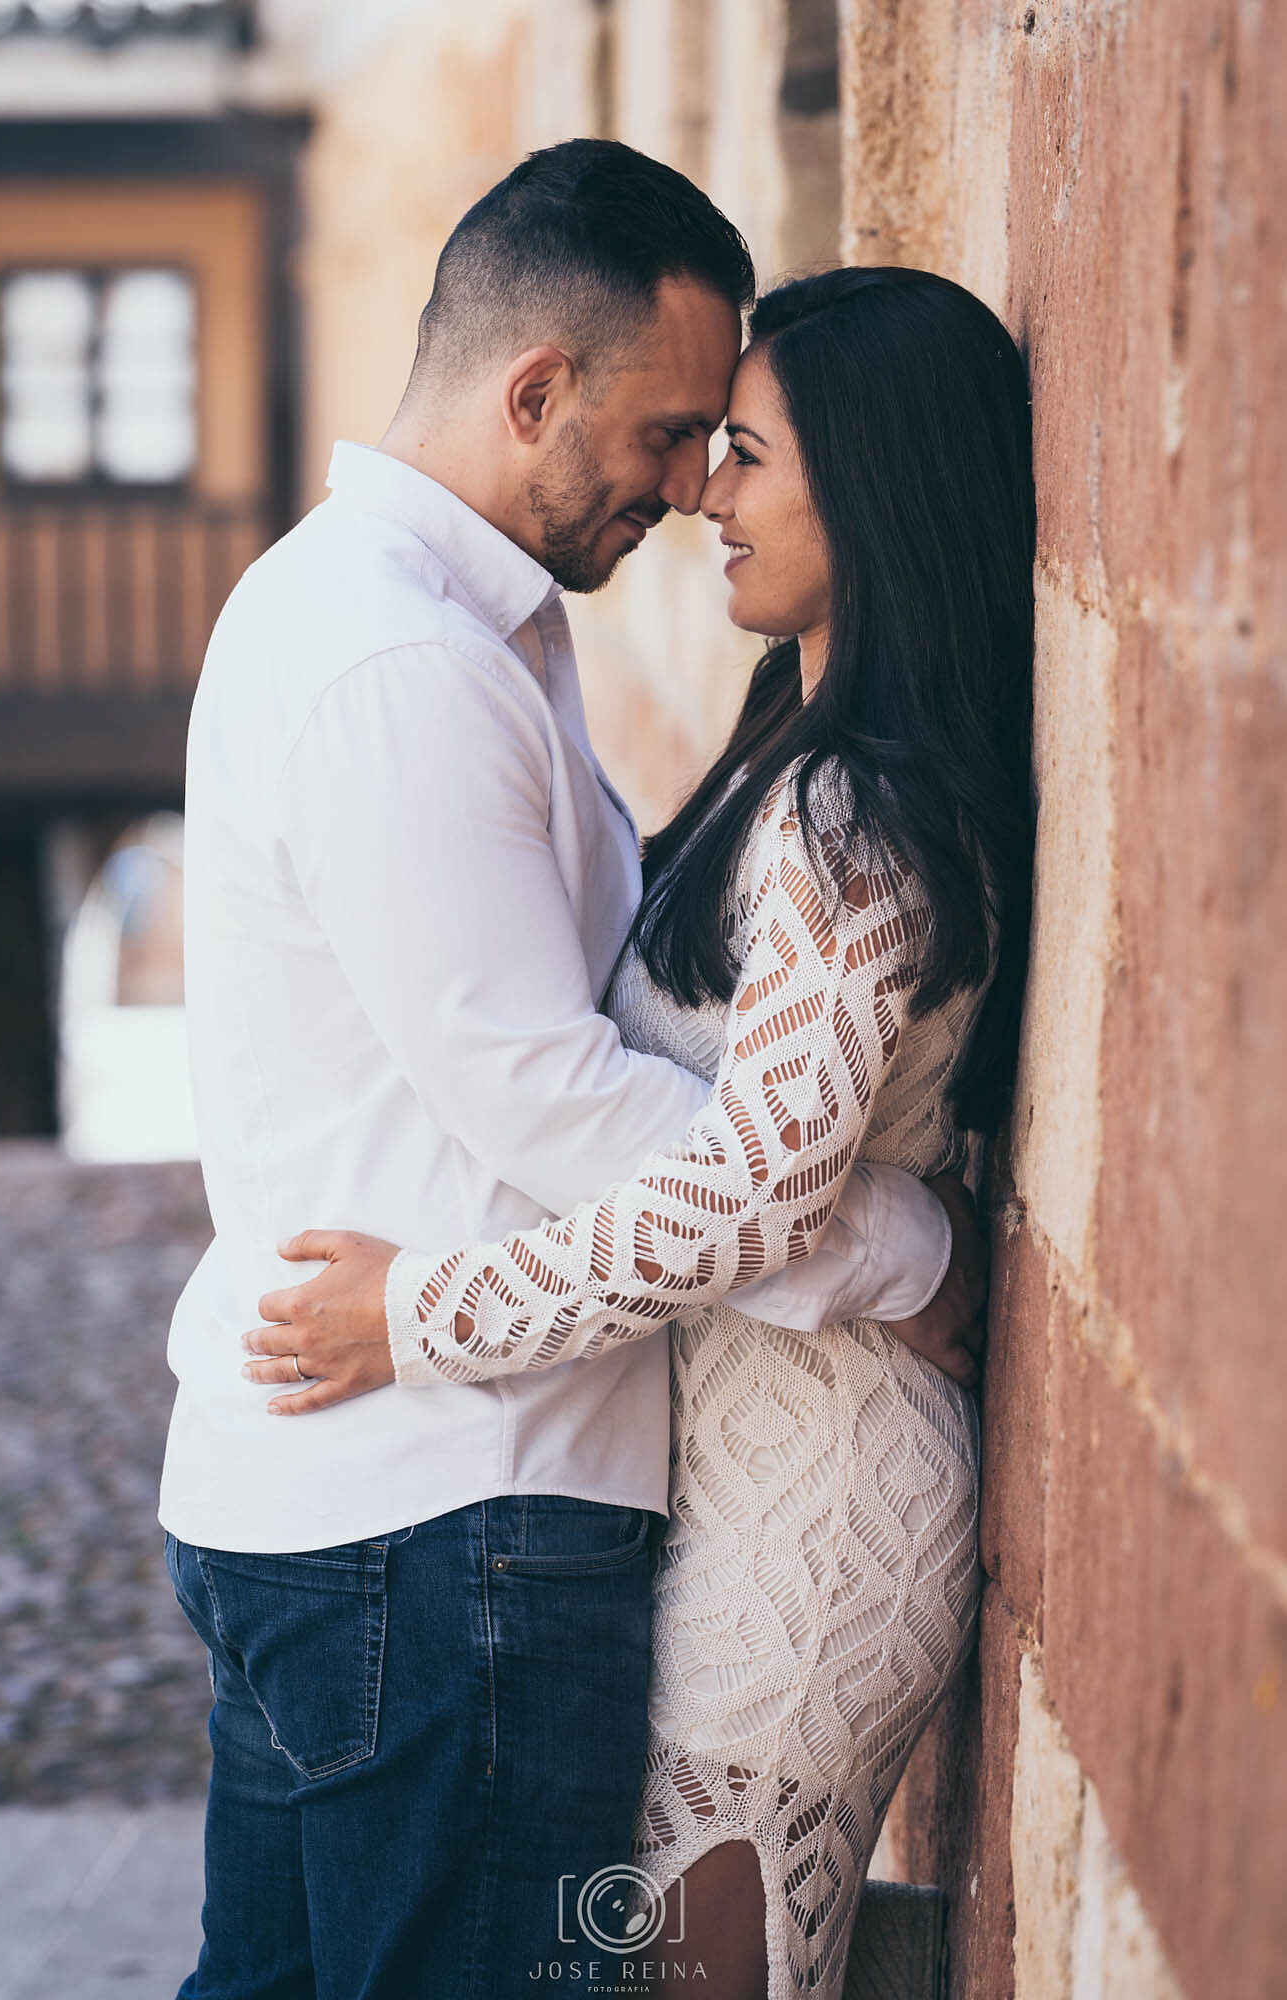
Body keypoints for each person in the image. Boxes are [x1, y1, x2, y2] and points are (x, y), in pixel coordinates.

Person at [161, 141, 987, 2000]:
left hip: (412, 1513)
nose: (690, 486)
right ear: (533, 393)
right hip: (441, 1520)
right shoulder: (401, 658)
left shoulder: (464, 631)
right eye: (678, 429)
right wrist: (904, 1257)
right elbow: (545, 1093)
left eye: (732, 443)